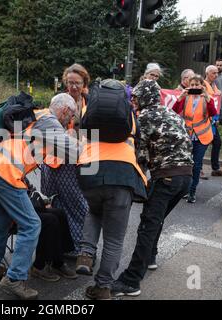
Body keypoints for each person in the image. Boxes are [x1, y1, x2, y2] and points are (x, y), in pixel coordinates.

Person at [0, 93, 78, 300]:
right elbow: (74, 150)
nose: (72, 121)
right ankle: (14, 279)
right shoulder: (50, 121)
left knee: (1, 221)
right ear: (66, 111)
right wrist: (97, 151)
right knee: (31, 225)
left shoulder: (36, 115)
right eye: (73, 115)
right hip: (4, 172)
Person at [112, 80, 193, 297]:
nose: (134, 102)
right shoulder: (172, 114)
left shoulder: (145, 117)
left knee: (147, 226)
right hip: (185, 177)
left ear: (145, 97)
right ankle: (151, 256)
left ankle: (131, 281)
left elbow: (140, 156)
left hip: (166, 178)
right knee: (157, 220)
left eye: (136, 98)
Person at [75, 79, 147, 300]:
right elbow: (138, 141)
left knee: (93, 210)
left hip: (90, 167)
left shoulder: (90, 107)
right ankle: (103, 286)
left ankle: (86, 254)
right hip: (122, 173)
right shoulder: (129, 114)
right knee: (114, 239)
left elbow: (82, 132)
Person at [41, 64, 90, 258]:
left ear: (84, 83)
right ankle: (56, 247)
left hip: (77, 161)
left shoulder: (88, 104)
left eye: (77, 83)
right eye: (70, 82)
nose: (73, 87)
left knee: (79, 205)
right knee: (53, 205)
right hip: (53, 161)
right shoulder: (60, 101)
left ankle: (76, 246)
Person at [173, 74, 217, 203]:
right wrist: (180, 97)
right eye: (192, 85)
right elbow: (174, 111)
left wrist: (208, 98)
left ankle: (192, 192)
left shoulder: (207, 98)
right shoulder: (186, 98)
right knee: (186, 164)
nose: (194, 87)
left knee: (196, 165)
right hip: (187, 137)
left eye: (197, 85)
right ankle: (184, 189)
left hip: (202, 137)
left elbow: (213, 113)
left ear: (202, 86)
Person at [27, 180, 77, 282]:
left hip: (26, 206)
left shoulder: (15, 171)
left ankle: (58, 261)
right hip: (12, 212)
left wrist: (39, 199)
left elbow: (30, 189)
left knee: (59, 213)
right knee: (49, 220)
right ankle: (39, 266)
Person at [211, 60, 222, 176]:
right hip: (210, 115)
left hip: (219, 110)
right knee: (209, 142)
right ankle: (199, 168)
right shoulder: (207, 82)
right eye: (217, 65)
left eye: (221, 65)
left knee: (216, 142)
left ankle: (215, 168)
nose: (219, 68)